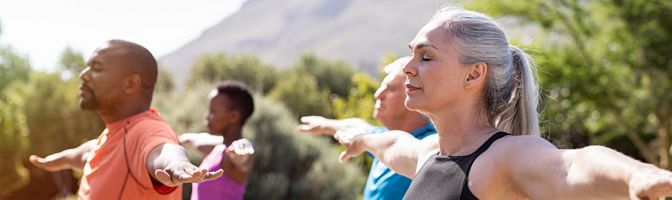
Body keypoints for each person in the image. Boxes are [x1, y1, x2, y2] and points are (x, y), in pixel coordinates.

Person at [334, 7, 672, 200]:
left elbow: (572, 165)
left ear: (473, 74)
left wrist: (640, 175)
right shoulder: (429, 153)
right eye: (412, 54)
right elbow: (389, 143)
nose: (408, 67)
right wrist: (358, 138)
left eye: (426, 56)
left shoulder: (502, 158)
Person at [28, 40, 222, 199]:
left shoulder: (146, 130)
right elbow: (86, 153)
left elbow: (163, 150)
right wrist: (53, 161)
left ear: (131, 84)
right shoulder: (116, 134)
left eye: (96, 68)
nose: (83, 75)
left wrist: (176, 165)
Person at [298, 57, 437, 200]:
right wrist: (324, 124)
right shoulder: (381, 138)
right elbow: (357, 126)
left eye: (390, 88)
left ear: (414, 96)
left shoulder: (431, 146)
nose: (378, 94)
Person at [179, 81, 256, 200]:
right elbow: (199, 140)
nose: (206, 116)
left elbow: (244, 160)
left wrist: (244, 153)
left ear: (233, 117)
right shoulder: (220, 147)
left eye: (212, 111)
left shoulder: (233, 154)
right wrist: (185, 138)